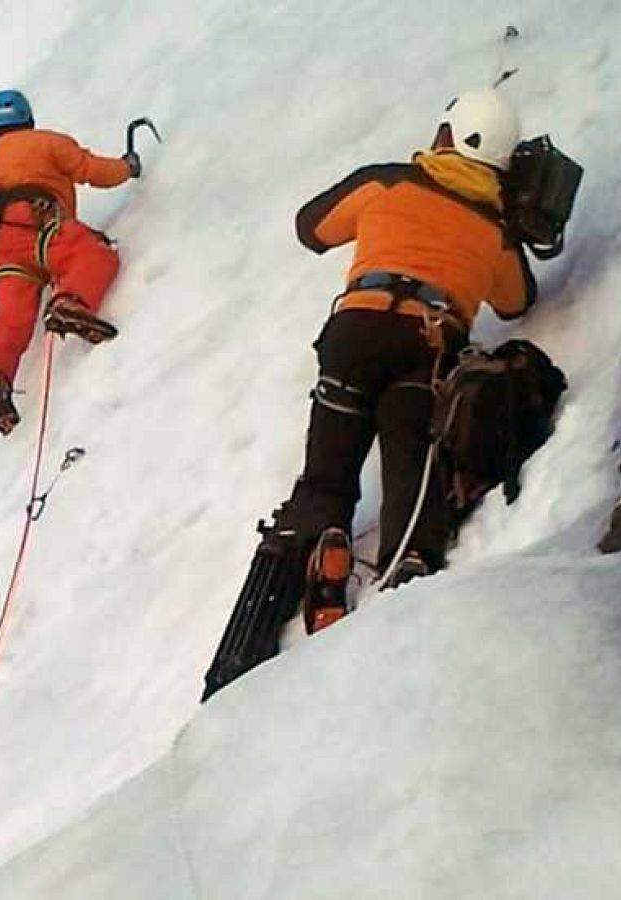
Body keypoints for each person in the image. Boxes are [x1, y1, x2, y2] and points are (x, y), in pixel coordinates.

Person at [202, 88, 539, 700]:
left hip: (354, 332)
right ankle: (406, 570)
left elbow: (310, 227)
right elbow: (517, 302)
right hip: (427, 346)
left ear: (446, 135)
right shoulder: (495, 231)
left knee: (322, 483)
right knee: (410, 476)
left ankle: (305, 556)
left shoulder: (388, 183)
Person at [0, 89, 141, 434]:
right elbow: (92, 170)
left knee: (12, 317)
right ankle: (69, 302)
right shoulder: (46, 142)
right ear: (27, 117)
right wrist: (127, 167)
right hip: (40, 225)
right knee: (92, 255)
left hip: (2, 250)